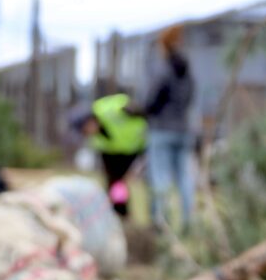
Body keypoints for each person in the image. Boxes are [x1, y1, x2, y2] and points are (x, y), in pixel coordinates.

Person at [139, 23, 198, 229]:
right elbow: (190, 97)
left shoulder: (162, 70)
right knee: (184, 177)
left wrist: (140, 110)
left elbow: (150, 102)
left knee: (160, 176)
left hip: (162, 130)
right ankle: (188, 222)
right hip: (183, 129)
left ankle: (161, 223)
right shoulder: (187, 71)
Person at [82, 86, 144, 218]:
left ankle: (117, 211)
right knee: (117, 182)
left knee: (117, 183)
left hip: (126, 150)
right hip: (112, 150)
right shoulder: (104, 108)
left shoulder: (103, 107)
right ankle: (117, 211)